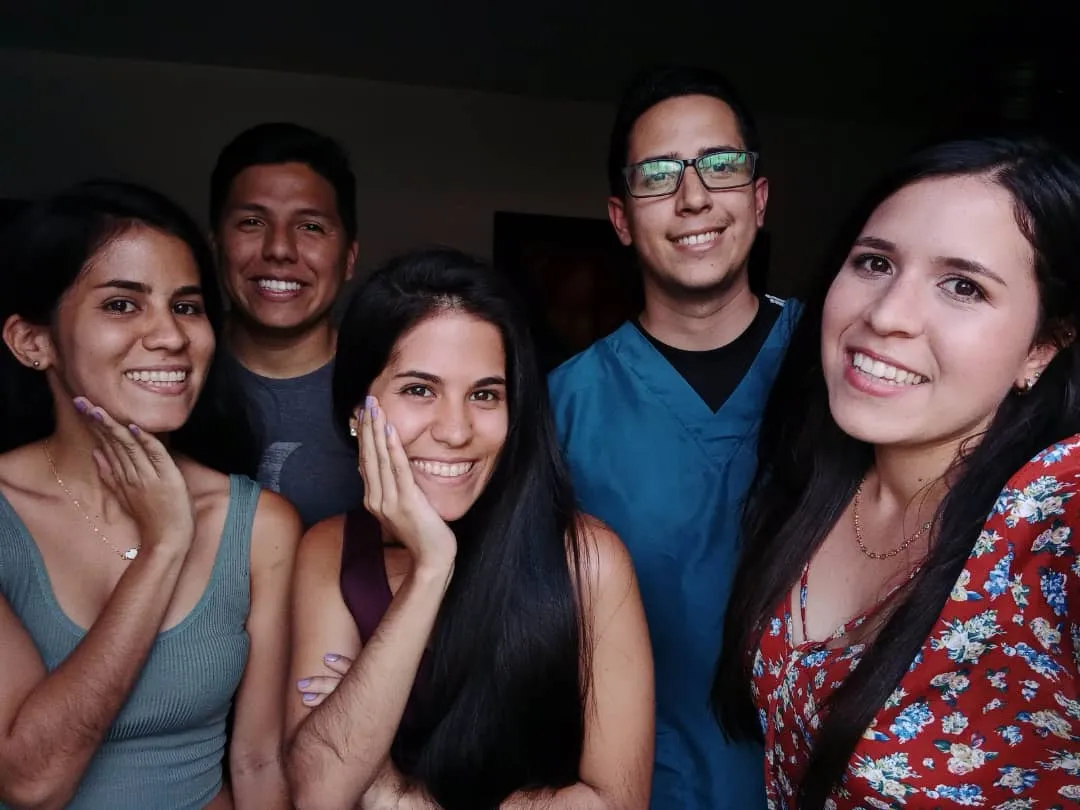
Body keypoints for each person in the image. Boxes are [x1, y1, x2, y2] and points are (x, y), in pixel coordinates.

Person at [714, 135, 1080, 809]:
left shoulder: (1054, 513)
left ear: (1043, 346)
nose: (886, 316)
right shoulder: (817, 482)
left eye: (963, 286)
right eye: (875, 262)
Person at [285, 249, 655, 810]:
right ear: (359, 411)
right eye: (419, 389)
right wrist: (430, 569)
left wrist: (397, 797)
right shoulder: (329, 551)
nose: (456, 431)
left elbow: (615, 803)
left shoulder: (589, 562)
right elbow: (318, 794)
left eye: (484, 395)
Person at [547, 65, 800, 809]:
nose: (693, 197)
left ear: (758, 197)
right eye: (658, 175)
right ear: (621, 218)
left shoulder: (844, 366)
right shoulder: (563, 406)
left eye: (720, 164)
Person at [0, 180, 300, 809]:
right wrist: (164, 545)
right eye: (121, 304)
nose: (171, 336)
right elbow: (31, 781)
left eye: (186, 306)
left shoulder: (258, 525)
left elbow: (257, 761)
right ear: (34, 342)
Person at [210, 122, 362, 528]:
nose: (279, 249)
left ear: (349, 258)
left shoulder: (382, 384)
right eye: (252, 222)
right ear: (216, 245)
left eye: (310, 227)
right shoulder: (169, 372)